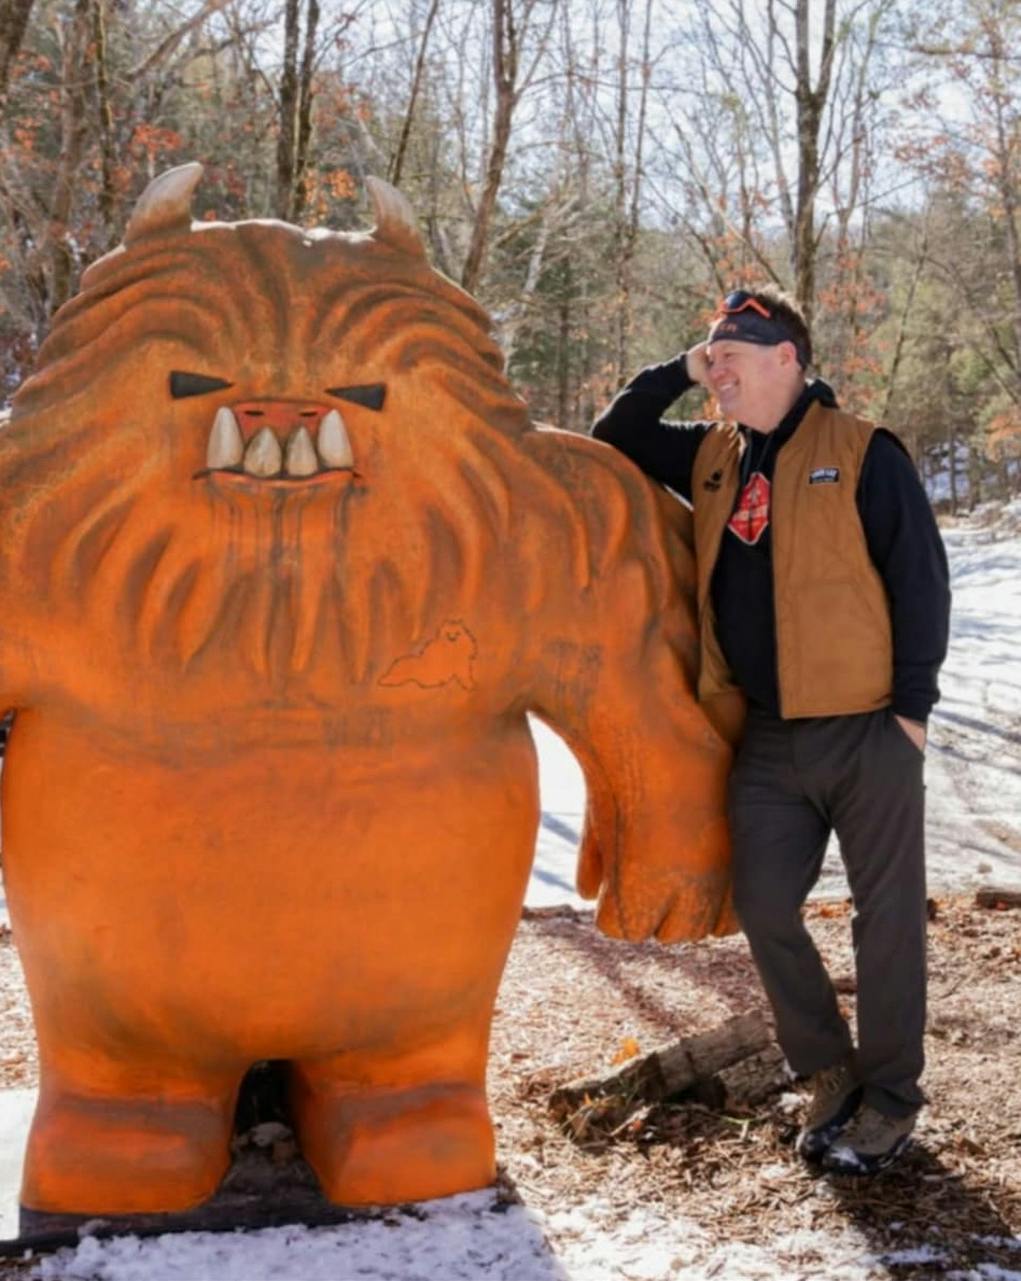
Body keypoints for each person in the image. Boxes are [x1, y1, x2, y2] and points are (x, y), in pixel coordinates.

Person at [591, 286, 951, 1175]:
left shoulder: (861, 449)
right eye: (710, 361)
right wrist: (685, 364)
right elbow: (616, 430)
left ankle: (890, 1098)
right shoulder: (713, 453)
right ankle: (828, 1069)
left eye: (732, 360)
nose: (717, 376)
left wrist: (909, 713)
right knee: (760, 903)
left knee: (886, 919)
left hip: (868, 728)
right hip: (767, 737)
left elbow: (919, 580)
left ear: (786, 359)